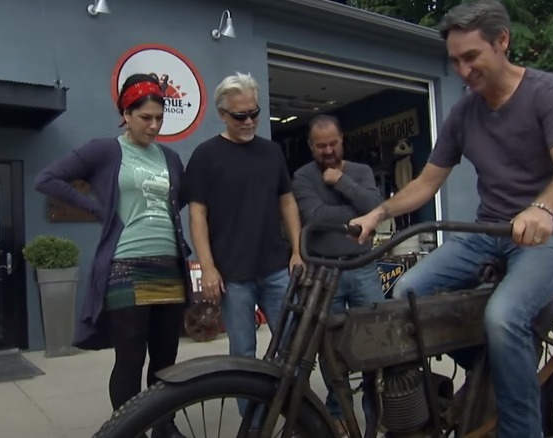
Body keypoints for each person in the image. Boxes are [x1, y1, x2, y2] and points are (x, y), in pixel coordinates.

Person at [348, 1, 553, 436]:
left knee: (503, 316)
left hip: (551, 236)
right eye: (455, 61)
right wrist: (377, 213)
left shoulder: (547, 92)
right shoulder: (463, 112)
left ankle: (520, 429)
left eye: (471, 57)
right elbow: (425, 183)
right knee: (405, 295)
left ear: (502, 42)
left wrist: (543, 208)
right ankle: (495, 366)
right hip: (487, 232)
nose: (462, 71)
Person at [34, 73, 190, 438]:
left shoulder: (170, 156)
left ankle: (163, 426)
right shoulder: (105, 150)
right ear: (126, 114)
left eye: (159, 118)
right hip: (126, 267)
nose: (154, 126)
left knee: (166, 360)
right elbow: (47, 179)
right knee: (130, 358)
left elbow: (180, 201)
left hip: (169, 266)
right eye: (145, 118)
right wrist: (96, 209)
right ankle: (127, 429)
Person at [182, 72, 302, 429]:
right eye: (240, 116)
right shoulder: (206, 155)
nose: (249, 121)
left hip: (277, 268)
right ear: (222, 113)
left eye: (254, 113)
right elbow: (197, 215)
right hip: (233, 273)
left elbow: (288, 203)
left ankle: (298, 420)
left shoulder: (271, 151)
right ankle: (255, 427)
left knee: (293, 350)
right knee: (243, 357)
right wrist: (207, 267)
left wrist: (298, 250)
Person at [291, 114, 385, 436]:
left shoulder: (360, 171)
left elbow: (375, 206)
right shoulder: (302, 177)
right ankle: (338, 415)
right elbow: (315, 216)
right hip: (324, 273)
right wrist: (357, 215)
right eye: (320, 146)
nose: (328, 151)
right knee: (331, 351)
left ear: (342, 139)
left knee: (378, 342)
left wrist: (341, 182)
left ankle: (378, 413)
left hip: (363, 267)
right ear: (310, 146)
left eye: (333, 143)